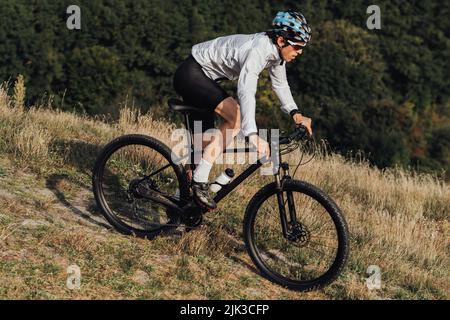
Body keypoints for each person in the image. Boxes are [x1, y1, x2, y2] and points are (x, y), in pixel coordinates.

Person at [173, 10, 313, 210]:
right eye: (298, 46)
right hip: (191, 74)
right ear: (282, 40)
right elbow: (246, 89)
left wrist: (295, 114)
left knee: (202, 149)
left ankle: (180, 205)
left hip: (203, 80)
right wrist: (252, 133)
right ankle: (200, 181)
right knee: (235, 118)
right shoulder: (259, 49)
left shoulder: (276, 54)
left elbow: (280, 85)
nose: (300, 52)